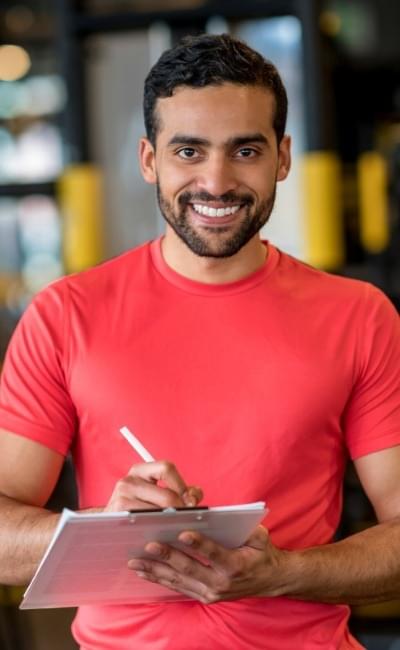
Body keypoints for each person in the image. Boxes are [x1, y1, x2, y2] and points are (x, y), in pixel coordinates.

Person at [0, 33, 399, 650]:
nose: (217, 180)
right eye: (189, 150)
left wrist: (284, 574)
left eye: (245, 150)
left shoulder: (360, 316)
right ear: (149, 159)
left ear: (283, 158)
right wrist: (105, 530)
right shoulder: (65, 315)